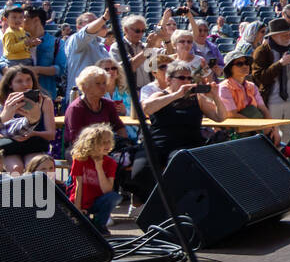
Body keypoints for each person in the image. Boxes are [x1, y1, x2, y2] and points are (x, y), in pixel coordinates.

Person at [129, 61, 226, 211]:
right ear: (169, 79)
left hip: (186, 144)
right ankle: (145, 202)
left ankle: (174, 207)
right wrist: (177, 95)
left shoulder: (197, 98)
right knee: (140, 171)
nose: (186, 82)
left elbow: (220, 118)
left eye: (189, 79)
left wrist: (216, 97)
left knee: (178, 165)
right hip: (158, 143)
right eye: (182, 78)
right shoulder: (160, 95)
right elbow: (147, 108)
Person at [0, 66, 57, 174]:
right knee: (15, 169)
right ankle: (17, 191)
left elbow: (51, 134)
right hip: (10, 146)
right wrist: (13, 134)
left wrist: (32, 133)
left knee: (34, 168)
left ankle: (39, 190)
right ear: (10, 84)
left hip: (34, 144)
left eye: (28, 80)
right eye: (19, 81)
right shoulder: (1, 101)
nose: (25, 84)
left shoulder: (45, 101)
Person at [252, 18, 290, 139]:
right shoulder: (262, 51)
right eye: (284, 35)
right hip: (272, 100)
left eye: (289, 34)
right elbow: (259, 78)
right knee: (272, 135)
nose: (288, 37)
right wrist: (280, 63)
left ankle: (287, 158)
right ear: (274, 36)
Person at [64, 66, 129, 155]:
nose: (103, 87)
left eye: (104, 83)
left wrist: (125, 145)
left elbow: (119, 127)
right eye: (98, 84)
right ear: (85, 87)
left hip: (105, 148)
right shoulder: (76, 108)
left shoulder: (108, 104)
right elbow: (76, 139)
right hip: (81, 151)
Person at [69, 123, 120, 233]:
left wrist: (99, 168)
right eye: (103, 142)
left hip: (97, 201)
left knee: (114, 197)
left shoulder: (110, 163)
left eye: (109, 141)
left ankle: (100, 224)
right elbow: (78, 185)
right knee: (82, 231)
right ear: (92, 144)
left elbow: (107, 190)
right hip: (81, 200)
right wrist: (77, 209)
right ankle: (86, 220)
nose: (107, 145)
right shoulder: (80, 160)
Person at [64, 10, 114, 101]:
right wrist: (104, 18)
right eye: (91, 22)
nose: (97, 23)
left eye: (96, 20)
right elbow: (87, 32)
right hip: (80, 98)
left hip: (102, 98)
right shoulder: (75, 40)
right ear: (78, 27)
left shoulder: (102, 46)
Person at [25, 7, 66, 102]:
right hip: (19, 96)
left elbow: (60, 69)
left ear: (36, 20)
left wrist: (36, 70)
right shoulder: (16, 42)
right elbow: (2, 64)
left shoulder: (56, 43)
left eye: (24, 17)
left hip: (46, 96)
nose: (20, 20)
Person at [1, 4, 41, 69]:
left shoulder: (22, 31)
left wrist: (33, 43)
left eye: (21, 17)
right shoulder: (9, 33)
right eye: (14, 17)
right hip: (15, 61)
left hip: (26, 59)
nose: (18, 20)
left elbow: (25, 45)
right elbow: (10, 48)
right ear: (6, 19)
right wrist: (25, 43)